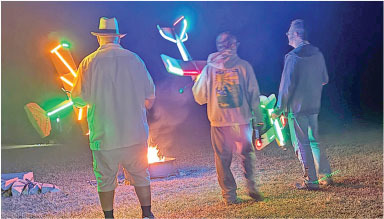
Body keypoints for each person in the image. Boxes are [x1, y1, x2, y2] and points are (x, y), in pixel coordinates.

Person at [71, 17, 156, 218]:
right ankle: (147, 214)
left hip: (103, 134)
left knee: (105, 178)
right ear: (118, 37)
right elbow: (150, 97)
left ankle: (109, 217)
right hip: (134, 132)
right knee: (141, 175)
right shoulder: (135, 59)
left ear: (99, 38)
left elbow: (79, 100)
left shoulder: (88, 62)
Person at [192, 31, 264, 205]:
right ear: (235, 45)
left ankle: (229, 195)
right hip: (241, 120)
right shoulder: (244, 66)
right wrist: (259, 118)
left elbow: (200, 97)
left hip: (219, 121)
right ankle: (251, 187)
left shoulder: (209, 69)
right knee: (246, 154)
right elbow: (254, 95)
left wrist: (196, 82)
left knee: (223, 159)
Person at [272, 19, 332, 190]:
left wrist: (279, 108)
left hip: (298, 108)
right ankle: (326, 176)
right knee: (314, 141)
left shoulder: (293, 57)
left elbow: (286, 87)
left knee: (302, 143)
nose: (287, 34)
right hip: (314, 106)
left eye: (290, 32)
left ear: (297, 34)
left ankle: (311, 181)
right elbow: (324, 80)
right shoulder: (318, 54)